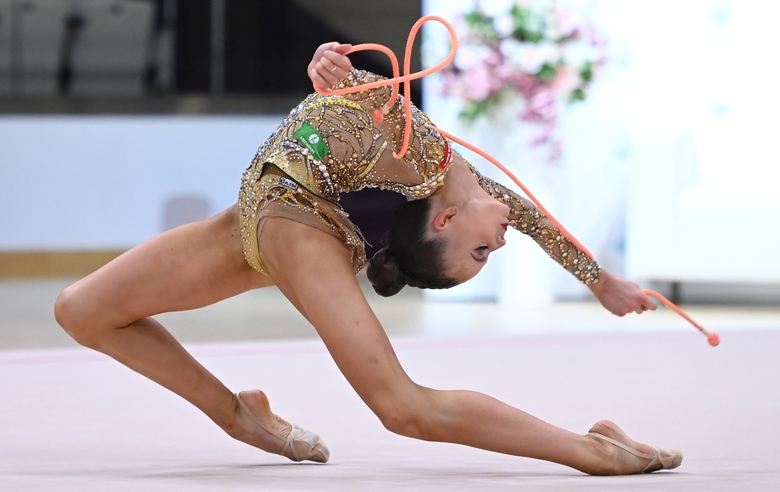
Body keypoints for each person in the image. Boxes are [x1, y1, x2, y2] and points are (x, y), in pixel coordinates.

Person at [54, 42, 679, 475]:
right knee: (80, 310)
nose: (504, 239)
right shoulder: (443, 166)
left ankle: (591, 449)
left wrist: (334, 76)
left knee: (402, 408)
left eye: (483, 252)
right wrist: (602, 283)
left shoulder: (429, 166)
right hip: (249, 221)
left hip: (294, 223)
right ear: (447, 217)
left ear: (444, 221)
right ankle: (242, 418)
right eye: (486, 253)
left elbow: (354, 98)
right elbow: (532, 215)